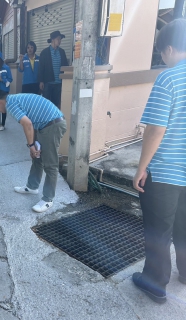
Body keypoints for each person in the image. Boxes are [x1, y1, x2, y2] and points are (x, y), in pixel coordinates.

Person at [132, 19, 186, 304]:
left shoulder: (169, 78)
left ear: (168, 48)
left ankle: (154, 282)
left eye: (161, 53)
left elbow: (155, 129)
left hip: (166, 172)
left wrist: (141, 168)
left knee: (158, 229)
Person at [0, 90, 66, 213]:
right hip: (44, 125)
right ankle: (32, 186)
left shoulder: (10, 104)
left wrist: (31, 145)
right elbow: (32, 122)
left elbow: (27, 124)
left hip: (52, 126)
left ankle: (48, 199)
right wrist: (32, 146)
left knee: (50, 165)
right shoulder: (15, 99)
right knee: (37, 157)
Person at [38, 31, 68, 109]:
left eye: (60, 39)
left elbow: (66, 66)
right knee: (46, 104)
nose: (59, 41)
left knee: (56, 104)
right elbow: (41, 68)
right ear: (52, 40)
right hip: (48, 82)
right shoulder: (45, 52)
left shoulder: (62, 52)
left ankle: (54, 120)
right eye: (58, 39)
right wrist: (41, 81)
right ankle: (46, 120)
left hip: (58, 83)